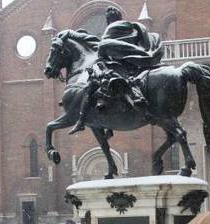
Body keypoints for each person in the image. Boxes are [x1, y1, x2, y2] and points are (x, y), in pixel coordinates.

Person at [68, 6, 163, 135]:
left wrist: (72, 35)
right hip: (134, 64)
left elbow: (103, 48)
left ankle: (81, 120)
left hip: (119, 67)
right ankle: (110, 122)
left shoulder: (110, 31)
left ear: (108, 21)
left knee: (91, 86)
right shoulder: (131, 27)